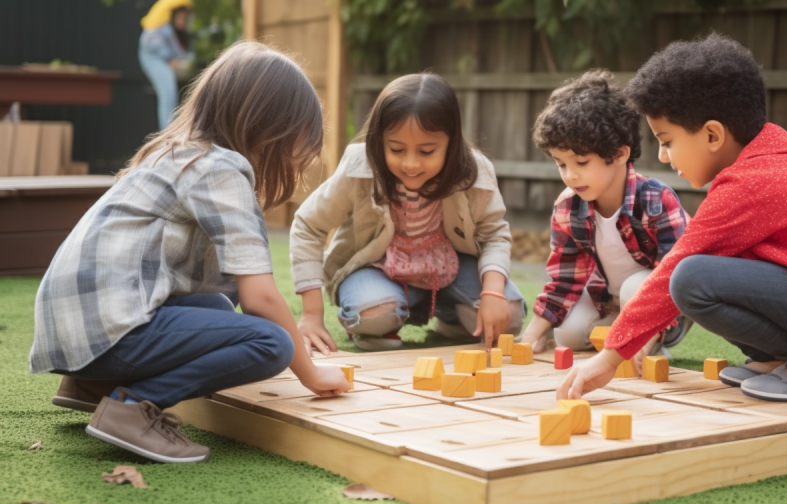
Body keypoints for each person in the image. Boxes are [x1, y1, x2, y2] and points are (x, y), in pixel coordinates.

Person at [557, 33, 787, 402]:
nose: (663, 156)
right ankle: (781, 358)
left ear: (713, 135)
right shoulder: (766, 159)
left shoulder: (751, 183)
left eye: (667, 140)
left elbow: (674, 269)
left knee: (691, 277)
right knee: (715, 265)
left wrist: (609, 357)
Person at [32, 41, 349, 464]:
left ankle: (91, 385)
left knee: (217, 305)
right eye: (296, 141)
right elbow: (261, 299)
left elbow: (226, 290)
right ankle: (131, 407)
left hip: (74, 330)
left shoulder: (174, 153)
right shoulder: (221, 168)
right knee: (272, 344)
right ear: (267, 127)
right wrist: (310, 372)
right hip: (107, 331)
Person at [290, 73, 525, 353]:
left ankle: (452, 317)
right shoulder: (359, 167)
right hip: (379, 268)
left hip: (447, 270)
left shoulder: (475, 172)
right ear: (380, 141)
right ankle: (377, 321)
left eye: (427, 151)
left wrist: (493, 292)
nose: (411, 163)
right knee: (374, 316)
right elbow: (308, 225)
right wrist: (312, 315)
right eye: (396, 149)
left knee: (507, 317)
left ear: (451, 144)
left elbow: (495, 235)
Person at [520, 70, 691, 369]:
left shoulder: (656, 200)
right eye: (562, 164)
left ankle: (649, 342)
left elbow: (674, 274)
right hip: (607, 299)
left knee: (634, 288)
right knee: (568, 335)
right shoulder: (567, 207)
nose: (571, 175)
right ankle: (618, 333)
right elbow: (565, 278)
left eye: (582, 162)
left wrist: (642, 337)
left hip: (662, 300)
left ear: (620, 153)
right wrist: (532, 336)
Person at [139, 0, 192, 129]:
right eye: (180, 18)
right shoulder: (161, 28)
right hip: (154, 58)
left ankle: (170, 130)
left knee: (170, 93)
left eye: (184, 18)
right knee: (168, 93)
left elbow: (180, 53)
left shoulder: (168, 30)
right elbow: (154, 47)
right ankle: (167, 132)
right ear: (172, 15)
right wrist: (170, 59)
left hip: (159, 58)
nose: (182, 21)